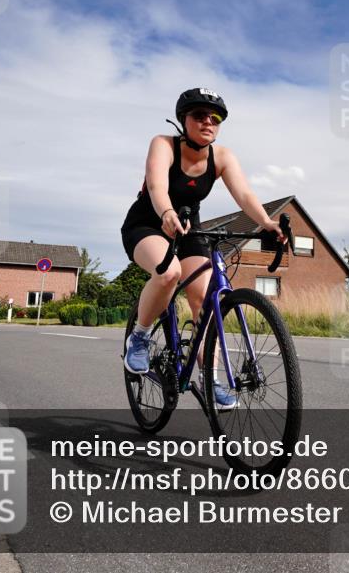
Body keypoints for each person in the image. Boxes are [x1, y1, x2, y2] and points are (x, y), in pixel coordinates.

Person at [120, 88, 285, 410]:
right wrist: (166, 212)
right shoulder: (164, 144)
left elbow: (245, 195)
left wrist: (267, 222)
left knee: (206, 302)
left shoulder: (222, 157)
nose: (208, 122)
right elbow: (156, 185)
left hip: (189, 228)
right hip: (148, 224)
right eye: (199, 116)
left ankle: (212, 378)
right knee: (169, 273)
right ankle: (139, 337)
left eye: (215, 118)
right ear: (183, 120)